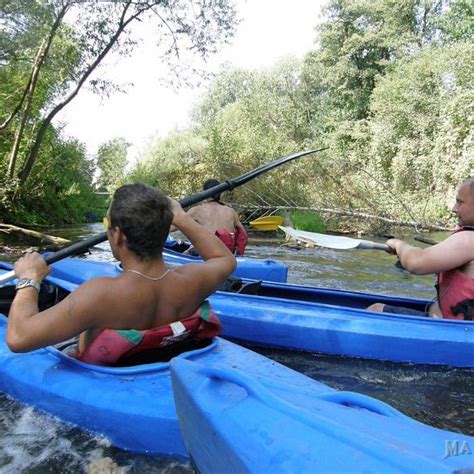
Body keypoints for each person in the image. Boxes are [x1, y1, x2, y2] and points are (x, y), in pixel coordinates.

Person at [7, 183, 236, 364]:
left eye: (107, 223)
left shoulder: (100, 295)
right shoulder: (192, 281)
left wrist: (29, 279)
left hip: (101, 375)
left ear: (117, 236)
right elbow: (224, 259)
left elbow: (18, 339)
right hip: (159, 361)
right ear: (167, 228)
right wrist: (182, 218)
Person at [367, 178, 474, 320]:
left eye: (460, 202)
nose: (454, 209)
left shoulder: (468, 240)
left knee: (376, 310)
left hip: (455, 334)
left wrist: (399, 245)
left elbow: (415, 262)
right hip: (455, 328)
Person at [184, 179, 248, 255]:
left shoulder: (196, 210)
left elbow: (171, 228)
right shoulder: (231, 211)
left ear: (203, 193)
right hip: (227, 254)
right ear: (221, 193)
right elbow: (244, 236)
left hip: (206, 254)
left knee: (186, 252)